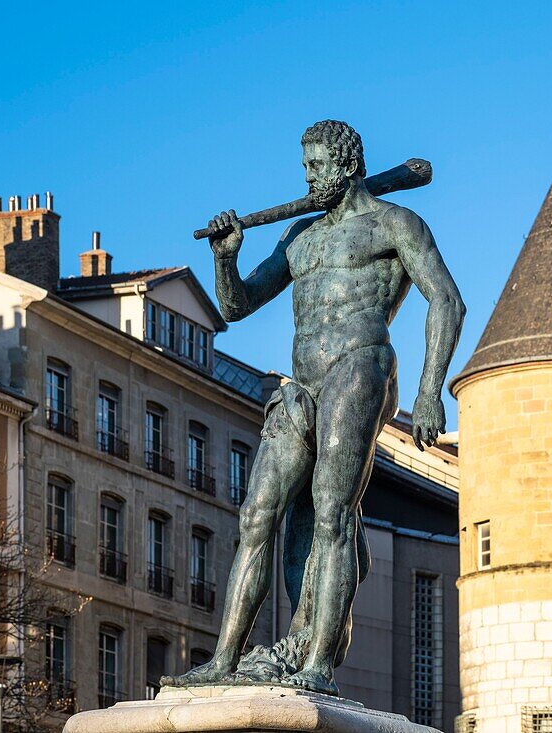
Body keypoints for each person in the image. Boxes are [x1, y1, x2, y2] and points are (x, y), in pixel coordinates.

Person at [164, 120, 464, 695]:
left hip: (359, 367)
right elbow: (238, 305)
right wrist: (226, 258)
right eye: (305, 167)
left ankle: (319, 662)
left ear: (348, 166)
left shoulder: (394, 225)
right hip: (300, 384)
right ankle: (224, 660)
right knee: (256, 516)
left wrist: (430, 390)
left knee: (331, 513)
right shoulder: (300, 237)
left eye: (319, 166)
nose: (309, 176)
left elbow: (447, 300)